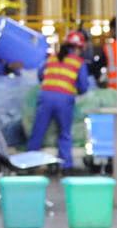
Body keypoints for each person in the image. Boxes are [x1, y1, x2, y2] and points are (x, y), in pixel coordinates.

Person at [29, 37, 85, 166]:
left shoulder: (52, 57)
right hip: (64, 99)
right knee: (65, 133)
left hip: (46, 96)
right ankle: (65, 166)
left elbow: (40, 74)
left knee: (38, 131)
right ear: (77, 48)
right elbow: (83, 86)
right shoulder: (78, 62)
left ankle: (29, 164)